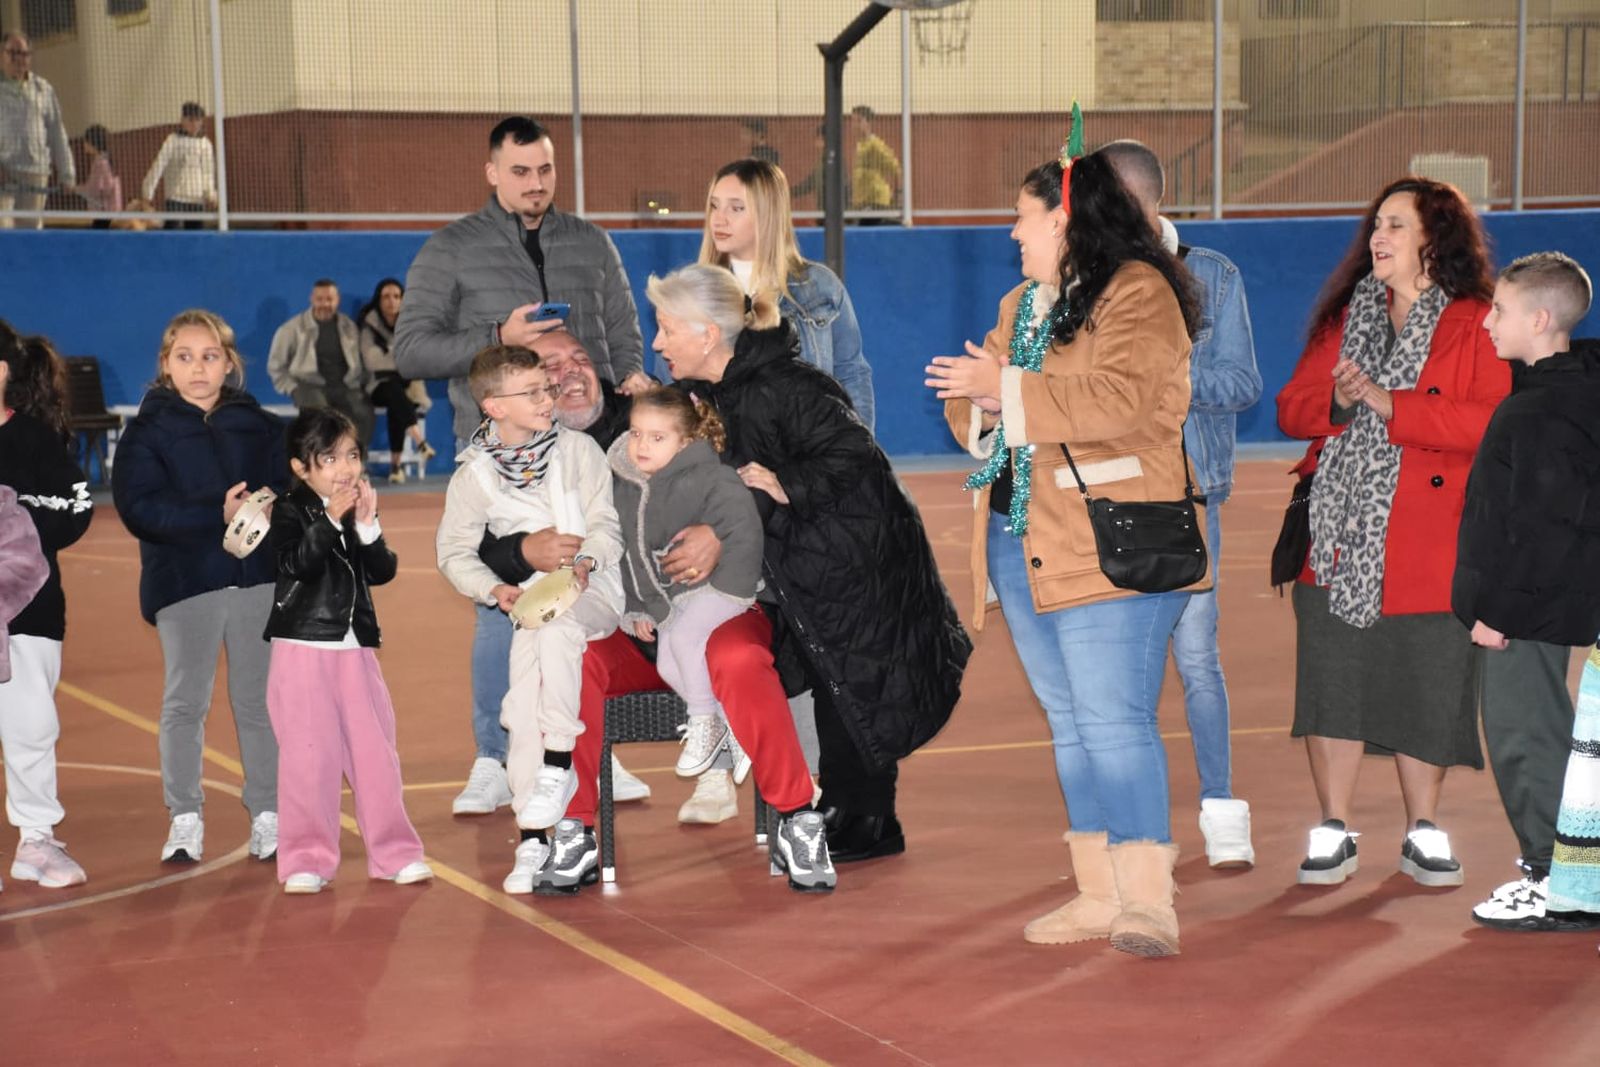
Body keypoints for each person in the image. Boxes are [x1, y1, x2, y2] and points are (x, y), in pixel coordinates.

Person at [928, 151, 1205, 959]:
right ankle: (1098, 892)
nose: (1012, 231)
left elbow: (1120, 401)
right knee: (1072, 723)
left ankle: (1148, 903)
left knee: (1113, 722)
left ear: (1065, 218)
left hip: (1108, 539)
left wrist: (1004, 386)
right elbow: (970, 399)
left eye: (1023, 215)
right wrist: (980, 398)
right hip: (1023, 538)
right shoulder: (1021, 302)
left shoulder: (1140, 292)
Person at [651, 264, 970, 867]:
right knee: (835, 686)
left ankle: (870, 818)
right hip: (815, 561)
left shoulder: (784, 386)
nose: (659, 342)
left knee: (855, 684)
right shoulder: (725, 392)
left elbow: (854, 455)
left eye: (667, 329)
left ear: (707, 334)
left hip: (854, 557)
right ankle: (851, 807)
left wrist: (785, 483)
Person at [394, 116, 650, 809]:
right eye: (520, 172)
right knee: (499, 603)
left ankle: (594, 748)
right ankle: (492, 754)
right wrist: (494, 336)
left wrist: (630, 384)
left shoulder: (592, 243)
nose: (535, 184)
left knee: (594, 594)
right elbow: (410, 348)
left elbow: (624, 334)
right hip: (498, 454)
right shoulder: (449, 249)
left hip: (587, 448)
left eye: (545, 171)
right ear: (491, 173)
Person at [1277, 176, 1508, 889]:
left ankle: (1423, 829)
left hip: (1432, 542)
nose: (1379, 237)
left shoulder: (1478, 321)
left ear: (1435, 238)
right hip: (1339, 540)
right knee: (1333, 681)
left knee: (1427, 682)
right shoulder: (1344, 318)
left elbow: (1492, 422)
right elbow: (1292, 409)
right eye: (1377, 223)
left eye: (1397, 225)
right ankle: (1334, 826)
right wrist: (1341, 401)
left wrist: (1393, 404)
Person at [689, 156, 878, 822]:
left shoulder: (818, 288)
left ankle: (806, 793)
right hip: (728, 495)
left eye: (735, 206)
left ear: (768, 214)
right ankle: (715, 766)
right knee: (720, 619)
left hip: (805, 496)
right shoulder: (698, 291)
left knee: (808, 641)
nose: (720, 218)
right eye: (714, 204)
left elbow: (852, 383)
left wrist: (842, 482)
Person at [1101, 139, 1263, 869]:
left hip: (1191, 492)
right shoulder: (1090, 275)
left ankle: (1222, 806)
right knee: (1118, 666)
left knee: (1197, 656)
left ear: (1137, 201)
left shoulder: (1215, 276)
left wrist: (1167, 376)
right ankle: (1130, 824)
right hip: (1109, 495)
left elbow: (1241, 384)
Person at [435, 345, 625, 895]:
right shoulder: (475, 475)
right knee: (520, 709)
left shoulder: (581, 451)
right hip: (529, 611)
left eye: (547, 387)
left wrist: (585, 564)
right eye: (534, 392)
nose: (550, 397)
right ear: (493, 407)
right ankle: (532, 839)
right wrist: (493, 590)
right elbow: (453, 553)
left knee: (560, 626)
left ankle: (557, 761)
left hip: (592, 594)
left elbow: (605, 526)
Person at [1451, 252, 1600, 931]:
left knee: (1524, 731)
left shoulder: (1537, 409)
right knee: (1556, 730)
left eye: (1500, 311)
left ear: (1540, 320)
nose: (1487, 323)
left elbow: (1538, 525)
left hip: (1528, 607)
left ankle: (1552, 877)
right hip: (1557, 596)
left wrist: (1497, 613)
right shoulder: (1574, 391)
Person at [112, 309, 286, 865]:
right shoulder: (146, 430)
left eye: (210, 356)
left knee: (257, 700)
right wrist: (218, 513)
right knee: (186, 702)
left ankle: (268, 812)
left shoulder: (256, 422)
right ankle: (184, 816)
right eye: (184, 357)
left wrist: (267, 504)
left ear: (229, 363)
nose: (198, 368)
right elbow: (140, 508)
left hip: (256, 579)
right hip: (186, 583)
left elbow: (286, 481)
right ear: (165, 365)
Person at [264, 408, 432, 894]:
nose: (345, 468)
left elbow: (382, 571)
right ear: (301, 467)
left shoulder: (356, 504)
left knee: (375, 754)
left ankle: (396, 853)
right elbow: (297, 564)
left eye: (352, 455)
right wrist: (332, 521)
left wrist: (368, 526)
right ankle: (306, 859)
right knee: (308, 757)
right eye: (330, 458)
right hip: (302, 646)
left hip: (355, 646)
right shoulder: (290, 509)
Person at [609, 387, 761, 778]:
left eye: (657, 438)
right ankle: (734, 730)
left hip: (725, 585)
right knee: (666, 660)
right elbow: (632, 557)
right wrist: (636, 607)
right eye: (636, 432)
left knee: (683, 639)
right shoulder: (628, 487)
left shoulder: (711, 475)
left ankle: (704, 723)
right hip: (680, 596)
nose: (641, 445)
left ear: (686, 441)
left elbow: (744, 527)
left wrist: (730, 576)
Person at [0, 322, 92, 887]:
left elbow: (76, 507)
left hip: (27, 614)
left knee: (31, 726)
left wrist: (17, 521)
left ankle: (35, 839)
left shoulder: (33, 439)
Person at [268, 278, 374, 448]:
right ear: (312, 299)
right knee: (321, 418)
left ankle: (356, 462)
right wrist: (291, 387)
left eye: (329, 299)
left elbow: (362, 361)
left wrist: (363, 384)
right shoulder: (291, 329)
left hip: (345, 387)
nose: (325, 304)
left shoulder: (349, 327)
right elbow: (276, 366)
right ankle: (320, 464)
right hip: (307, 386)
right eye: (320, 299)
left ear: (337, 300)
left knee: (364, 413)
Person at [357, 278, 435, 484]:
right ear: (378, 300)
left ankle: (395, 468)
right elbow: (372, 360)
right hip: (376, 386)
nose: (391, 301)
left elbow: (418, 356)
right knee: (392, 391)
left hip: (408, 387)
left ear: (402, 300)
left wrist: (390, 356)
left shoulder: (411, 326)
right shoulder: (369, 325)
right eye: (386, 297)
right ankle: (420, 441)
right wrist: (400, 357)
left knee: (397, 405)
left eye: (396, 296)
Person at [0, 30, 74, 230]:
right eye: (12, 53)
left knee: (30, 233)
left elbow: (57, 132)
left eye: (24, 54)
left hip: (36, 173)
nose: (19, 59)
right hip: (4, 173)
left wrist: (67, 173)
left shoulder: (43, 89)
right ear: (2, 54)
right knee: (3, 229)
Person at [140, 102, 216, 231]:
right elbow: (159, 165)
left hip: (197, 200)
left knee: (196, 239)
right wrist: (147, 193)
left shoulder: (205, 144)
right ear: (182, 120)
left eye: (198, 120)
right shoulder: (172, 140)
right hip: (175, 198)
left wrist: (211, 194)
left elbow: (208, 173)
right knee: (172, 237)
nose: (194, 124)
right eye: (190, 120)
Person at [849, 106, 899, 224]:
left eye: (858, 121)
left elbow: (896, 168)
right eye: (853, 120)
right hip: (862, 203)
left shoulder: (876, 145)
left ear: (868, 122)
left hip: (876, 203)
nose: (854, 125)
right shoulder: (860, 145)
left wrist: (900, 197)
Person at [75, 124, 121, 229]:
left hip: (104, 214)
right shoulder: (104, 160)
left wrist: (75, 189)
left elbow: (96, 189)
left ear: (93, 143)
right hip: (108, 212)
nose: (84, 144)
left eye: (86, 141)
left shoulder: (100, 162)